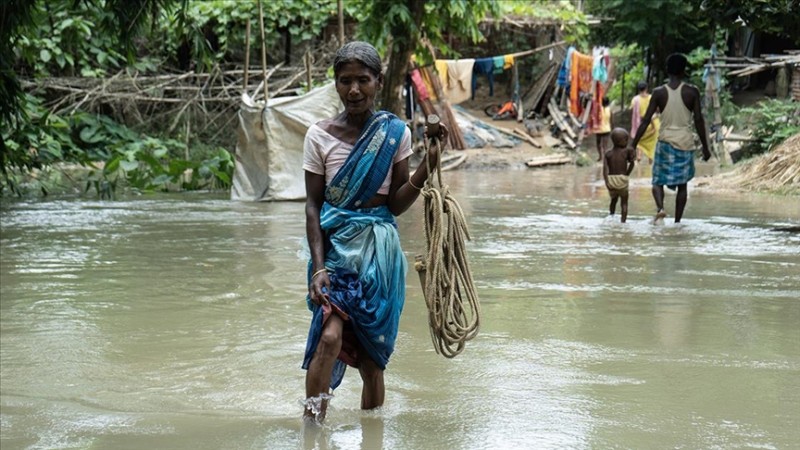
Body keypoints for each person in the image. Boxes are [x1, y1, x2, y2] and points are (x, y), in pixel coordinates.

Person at [300, 41, 445, 423]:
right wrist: (318, 268)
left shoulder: (395, 134)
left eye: (362, 80)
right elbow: (313, 205)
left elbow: (395, 204)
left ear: (377, 82)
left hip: (379, 254)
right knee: (328, 338)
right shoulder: (319, 136)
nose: (354, 90)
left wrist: (426, 167)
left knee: (370, 359)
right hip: (334, 251)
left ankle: (372, 433)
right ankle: (312, 429)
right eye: (345, 81)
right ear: (335, 84)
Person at [630, 53, 711, 224]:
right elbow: (698, 120)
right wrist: (705, 146)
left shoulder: (659, 92)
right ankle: (677, 222)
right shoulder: (692, 92)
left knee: (657, 181)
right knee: (682, 185)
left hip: (665, 142)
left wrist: (633, 144)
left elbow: (645, 121)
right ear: (683, 71)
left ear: (667, 70)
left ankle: (660, 209)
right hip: (685, 143)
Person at [603, 128, 636, 223]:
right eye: (626, 140)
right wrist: (626, 174)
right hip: (622, 179)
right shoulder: (626, 151)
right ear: (619, 141)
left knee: (613, 200)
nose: (627, 141)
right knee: (624, 203)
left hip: (611, 180)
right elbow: (632, 164)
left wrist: (606, 182)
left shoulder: (608, 153)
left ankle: (611, 216)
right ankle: (623, 222)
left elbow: (605, 169)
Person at [630, 81, 660, 163]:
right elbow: (657, 109)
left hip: (642, 124)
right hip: (654, 124)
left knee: (639, 141)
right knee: (653, 144)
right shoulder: (651, 97)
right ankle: (650, 162)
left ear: (638, 89)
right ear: (646, 88)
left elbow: (633, 112)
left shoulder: (635, 99)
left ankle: (639, 157)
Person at [594, 96, 612, 161]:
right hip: (607, 129)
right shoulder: (609, 109)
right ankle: (605, 157)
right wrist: (612, 127)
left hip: (599, 129)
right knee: (605, 145)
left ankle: (600, 156)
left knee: (598, 144)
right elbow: (611, 120)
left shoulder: (598, 109)